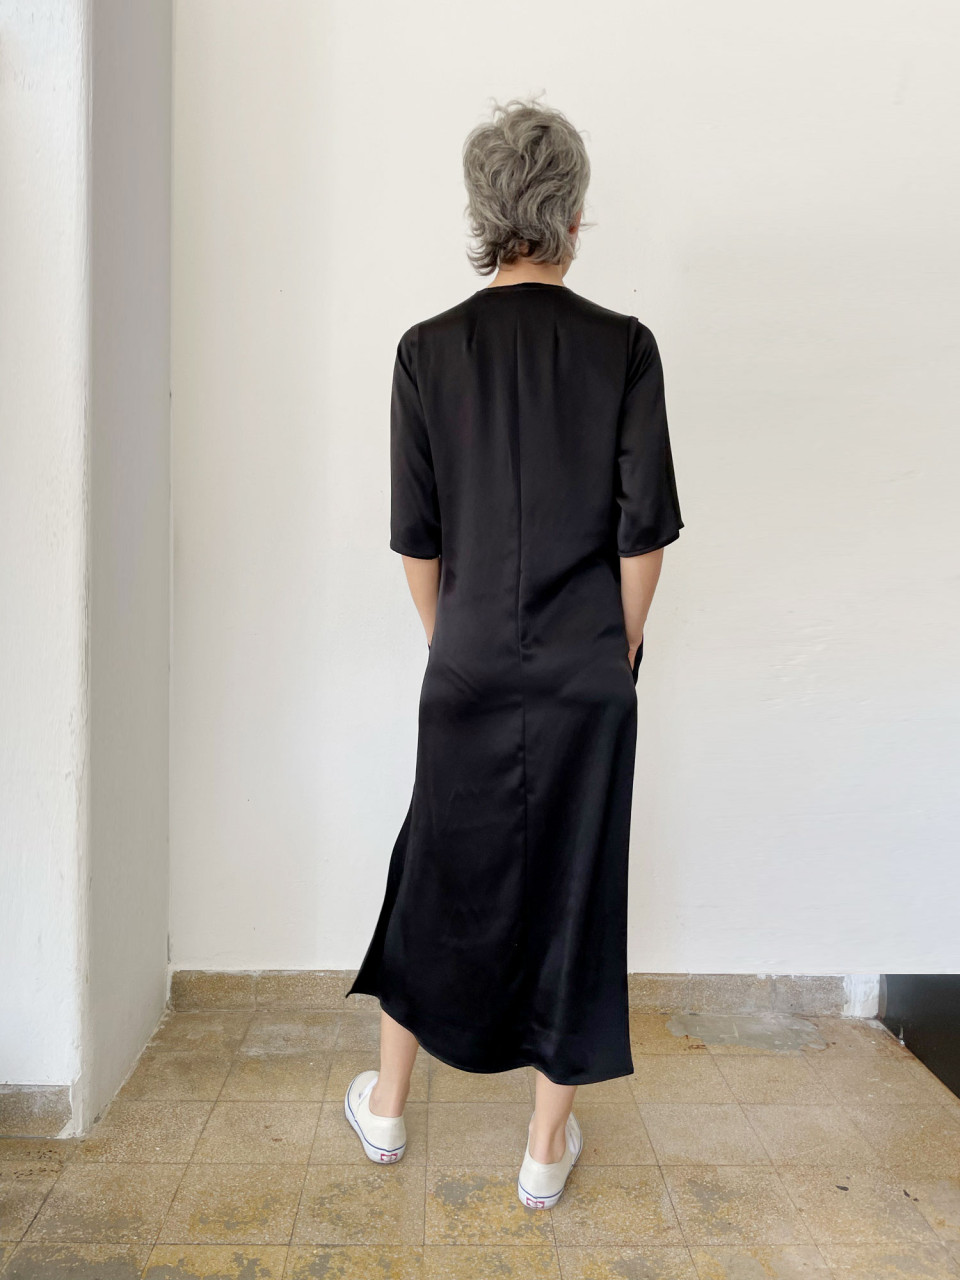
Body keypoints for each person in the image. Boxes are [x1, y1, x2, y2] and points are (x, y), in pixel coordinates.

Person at [343, 95, 683, 1208]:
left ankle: (388, 1110)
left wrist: (458, 645)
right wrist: (609, 654)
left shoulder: (426, 351)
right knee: (577, 888)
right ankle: (544, 1150)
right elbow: (643, 537)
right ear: (574, 215)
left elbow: (419, 540)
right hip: (588, 675)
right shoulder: (625, 348)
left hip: (469, 665)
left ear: (483, 211)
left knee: (433, 868)